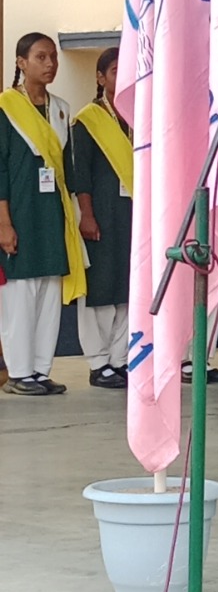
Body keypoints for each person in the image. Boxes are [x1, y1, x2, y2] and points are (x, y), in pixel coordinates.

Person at [0, 31, 85, 396]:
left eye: (53, 57)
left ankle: (40, 369)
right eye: (40, 57)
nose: (50, 64)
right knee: (20, 296)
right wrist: (4, 221)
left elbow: (65, 170)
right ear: (21, 63)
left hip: (53, 214)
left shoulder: (62, 109)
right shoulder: (6, 108)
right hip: (19, 212)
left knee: (50, 292)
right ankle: (19, 372)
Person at [72, 47, 132, 390]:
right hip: (101, 214)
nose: (120, 78)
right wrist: (87, 215)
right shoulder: (87, 120)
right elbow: (81, 174)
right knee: (100, 289)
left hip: (130, 214)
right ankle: (98, 362)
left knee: (126, 287)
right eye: (114, 71)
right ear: (100, 78)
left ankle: (120, 358)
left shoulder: (137, 119)